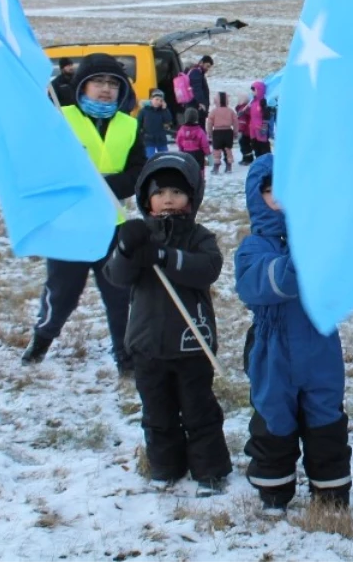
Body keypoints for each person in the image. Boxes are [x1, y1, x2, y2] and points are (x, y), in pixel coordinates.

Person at [103, 152, 231, 495]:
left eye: (177, 192)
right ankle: (164, 465)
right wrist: (126, 250)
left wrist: (165, 256)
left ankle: (210, 470)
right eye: (160, 193)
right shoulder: (138, 235)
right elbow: (116, 276)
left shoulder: (198, 237)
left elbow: (208, 268)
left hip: (192, 342)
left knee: (198, 408)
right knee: (157, 411)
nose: (168, 199)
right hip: (147, 344)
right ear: (147, 199)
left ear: (192, 198)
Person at [235, 155, 352, 512]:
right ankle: (274, 489)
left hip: (320, 344)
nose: (281, 198)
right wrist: (305, 253)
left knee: (326, 416)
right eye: (271, 191)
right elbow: (263, 284)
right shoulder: (254, 247)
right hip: (273, 350)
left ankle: (330, 491)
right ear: (258, 197)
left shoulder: (320, 241)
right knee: (274, 417)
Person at [21, 53, 147, 373]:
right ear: (82, 87)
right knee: (62, 296)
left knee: (121, 297)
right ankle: (42, 340)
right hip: (69, 228)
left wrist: (109, 185)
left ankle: (126, 359)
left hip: (111, 225)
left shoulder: (129, 125)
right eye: (98, 82)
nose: (105, 89)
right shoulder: (59, 119)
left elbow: (138, 171)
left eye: (112, 84)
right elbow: (39, 165)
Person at [139, 89, 175, 157]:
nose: (158, 102)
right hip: (149, 140)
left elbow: (168, 120)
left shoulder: (163, 111)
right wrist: (140, 134)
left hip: (161, 139)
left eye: (160, 100)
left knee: (164, 157)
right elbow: (138, 123)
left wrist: (165, 109)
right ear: (151, 99)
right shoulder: (145, 110)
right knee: (150, 158)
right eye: (156, 99)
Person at [207, 93, 237, 174]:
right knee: (228, 149)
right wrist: (235, 132)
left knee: (216, 149)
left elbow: (209, 123)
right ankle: (229, 166)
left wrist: (209, 132)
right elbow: (235, 122)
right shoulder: (231, 111)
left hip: (217, 132)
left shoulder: (213, 111)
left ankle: (216, 166)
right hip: (228, 132)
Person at [176, 108, 210, 175]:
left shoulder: (181, 130)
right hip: (198, 153)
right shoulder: (199, 130)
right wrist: (207, 153)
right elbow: (204, 143)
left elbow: (178, 141)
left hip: (185, 153)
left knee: (187, 168)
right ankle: (200, 181)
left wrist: (181, 149)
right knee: (200, 169)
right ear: (196, 118)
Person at [188, 56, 213, 120]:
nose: (208, 69)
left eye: (209, 67)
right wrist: (201, 102)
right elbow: (196, 89)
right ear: (201, 62)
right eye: (207, 66)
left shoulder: (197, 71)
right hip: (197, 107)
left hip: (196, 106)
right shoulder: (196, 72)